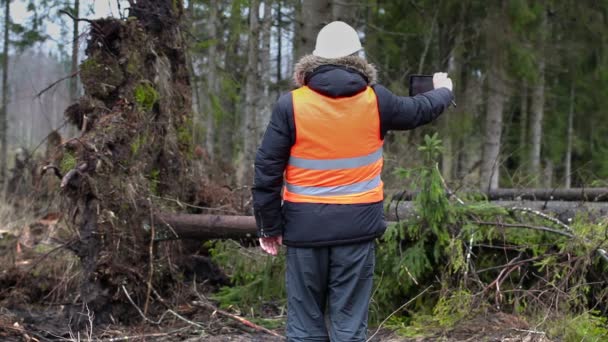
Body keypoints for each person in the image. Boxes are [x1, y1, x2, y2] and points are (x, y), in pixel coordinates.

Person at [252, 21, 453, 342]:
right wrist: (444, 91)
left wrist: (268, 226)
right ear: (357, 58)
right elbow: (419, 109)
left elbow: (266, 169)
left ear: (314, 59)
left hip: (304, 232)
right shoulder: (377, 100)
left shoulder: (291, 104)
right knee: (349, 326)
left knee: (304, 328)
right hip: (357, 232)